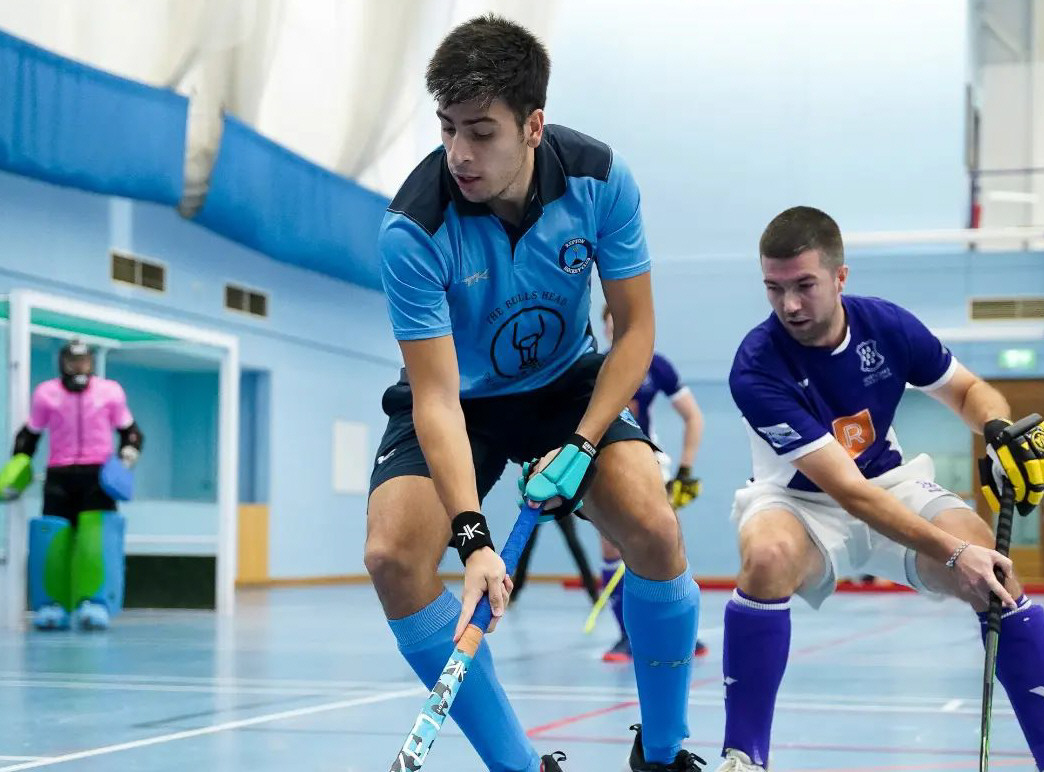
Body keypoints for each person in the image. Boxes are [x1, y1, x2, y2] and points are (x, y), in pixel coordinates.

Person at [364, 15, 705, 772]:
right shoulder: (412, 230)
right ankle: (519, 766)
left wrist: (583, 443)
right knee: (392, 555)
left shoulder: (600, 180)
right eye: (448, 128)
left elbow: (637, 331)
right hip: (463, 399)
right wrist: (474, 539)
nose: (459, 153)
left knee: (652, 523)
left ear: (533, 126)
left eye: (481, 131)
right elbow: (437, 397)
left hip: (564, 384)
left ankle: (664, 750)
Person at [717, 206, 1044, 771]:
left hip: (889, 479)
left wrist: (995, 430)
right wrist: (953, 552)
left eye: (804, 286)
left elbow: (970, 391)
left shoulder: (887, 327)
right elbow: (847, 492)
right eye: (774, 288)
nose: (789, 304)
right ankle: (743, 756)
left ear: (840, 277)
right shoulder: (755, 366)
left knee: (995, 573)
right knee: (767, 558)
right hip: (798, 499)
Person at [3, 340, 143, 631]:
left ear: (91, 363)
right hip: (60, 475)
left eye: (84, 361)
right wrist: (18, 466)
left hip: (98, 477)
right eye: (73, 361)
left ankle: (94, 603)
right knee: (53, 539)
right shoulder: (46, 394)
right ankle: (52, 605)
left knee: (96, 541)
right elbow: (29, 435)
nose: (78, 367)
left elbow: (131, 432)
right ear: (63, 362)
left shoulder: (110, 392)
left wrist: (127, 457)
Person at [598, 304, 706, 663]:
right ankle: (626, 637)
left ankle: (682, 634)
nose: (618, 330)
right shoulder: (594, 367)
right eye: (611, 324)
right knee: (611, 549)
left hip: (649, 464)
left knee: (668, 547)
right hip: (605, 465)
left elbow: (692, 416)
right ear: (604, 328)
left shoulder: (656, 365)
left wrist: (685, 471)